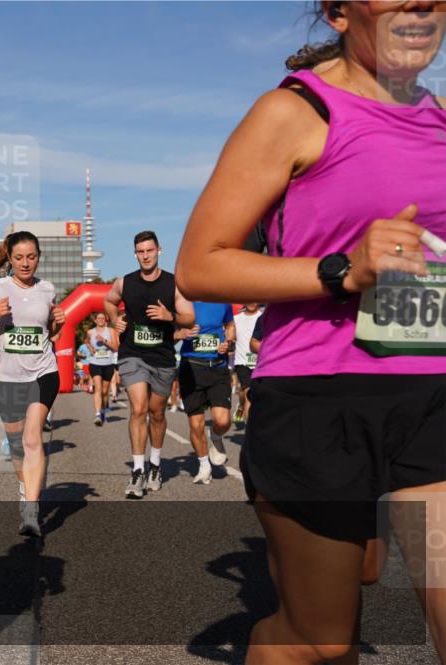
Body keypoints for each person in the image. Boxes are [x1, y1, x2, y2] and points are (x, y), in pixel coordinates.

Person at [176, 2, 446, 662]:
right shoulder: (294, 113)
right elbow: (201, 263)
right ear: (336, 11)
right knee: (319, 640)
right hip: (318, 396)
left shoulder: (440, 121)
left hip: (434, 395)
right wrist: (341, 270)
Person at [0, 232, 65, 537]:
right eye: (19, 258)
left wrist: (57, 323)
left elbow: (51, 335)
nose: (26, 263)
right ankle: (25, 490)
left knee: (32, 438)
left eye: (32, 257)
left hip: (42, 371)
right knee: (16, 446)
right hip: (7, 377)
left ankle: (31, 509)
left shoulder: (47, 289)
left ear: (39, 257)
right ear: (10, 259)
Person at [104, 230, 195, 499]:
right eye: (140, 251)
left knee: (157, 413)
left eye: (149, 251)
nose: (145, 256)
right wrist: (114, 318)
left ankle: (156, 464)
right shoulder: (125, 283)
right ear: (135, 254)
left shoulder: (173, 284)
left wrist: (170, 316)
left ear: (159, 251)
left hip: (163, 358)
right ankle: (138, 470)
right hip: (132, 354)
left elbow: (189, 318)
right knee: (139, 408)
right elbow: (108, 302)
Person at [175, 301, 236, 484]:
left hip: (218, 367)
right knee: (196, 424)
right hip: (191, 368)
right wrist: (180, 334)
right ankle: (204, 466)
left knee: (223, 420)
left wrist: (228, 342)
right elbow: (169, 333)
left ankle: (215, 436)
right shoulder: (182, 303)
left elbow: (230, 325)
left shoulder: (222, 301)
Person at [232, 303, 263, 425]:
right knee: (248, 391)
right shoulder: (236, 318)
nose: (252, 303)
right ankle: (249, 429)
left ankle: (241, 405)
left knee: (253, 394)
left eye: (255, 300)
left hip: (259, 360)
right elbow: (230, 335)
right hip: (242, 361)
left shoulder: (263, 317)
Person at [85, 312, 117, 426]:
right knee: (97, 388)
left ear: (106, 320)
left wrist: (104, 340)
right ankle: (97, 414)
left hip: (108, 364)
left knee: (104, 392)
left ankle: (103, 411)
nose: (101, 320)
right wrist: (90, 348)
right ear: (95, 321)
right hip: (95, 363)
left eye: (103, 318)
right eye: (98, 318)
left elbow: (116, 347)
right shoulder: (90, 332)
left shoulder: (111, 331)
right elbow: (87, 341)